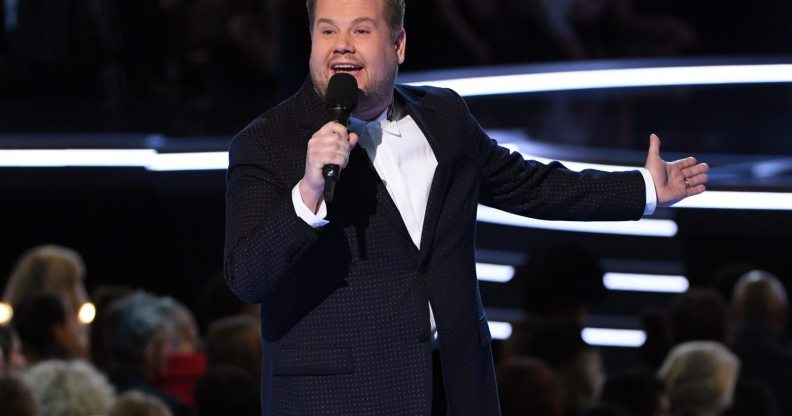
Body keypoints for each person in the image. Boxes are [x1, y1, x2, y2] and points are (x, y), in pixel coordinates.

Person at [223, 0, 709, 414]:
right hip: (338, 396)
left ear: (399, 45)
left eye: (361, 30)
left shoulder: (445, 117)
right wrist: (308, 192)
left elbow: (529, 185)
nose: (342, 44)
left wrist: (644, 189)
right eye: (327, 30)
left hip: (455, 387)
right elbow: (247, 276)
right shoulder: (267, 144)